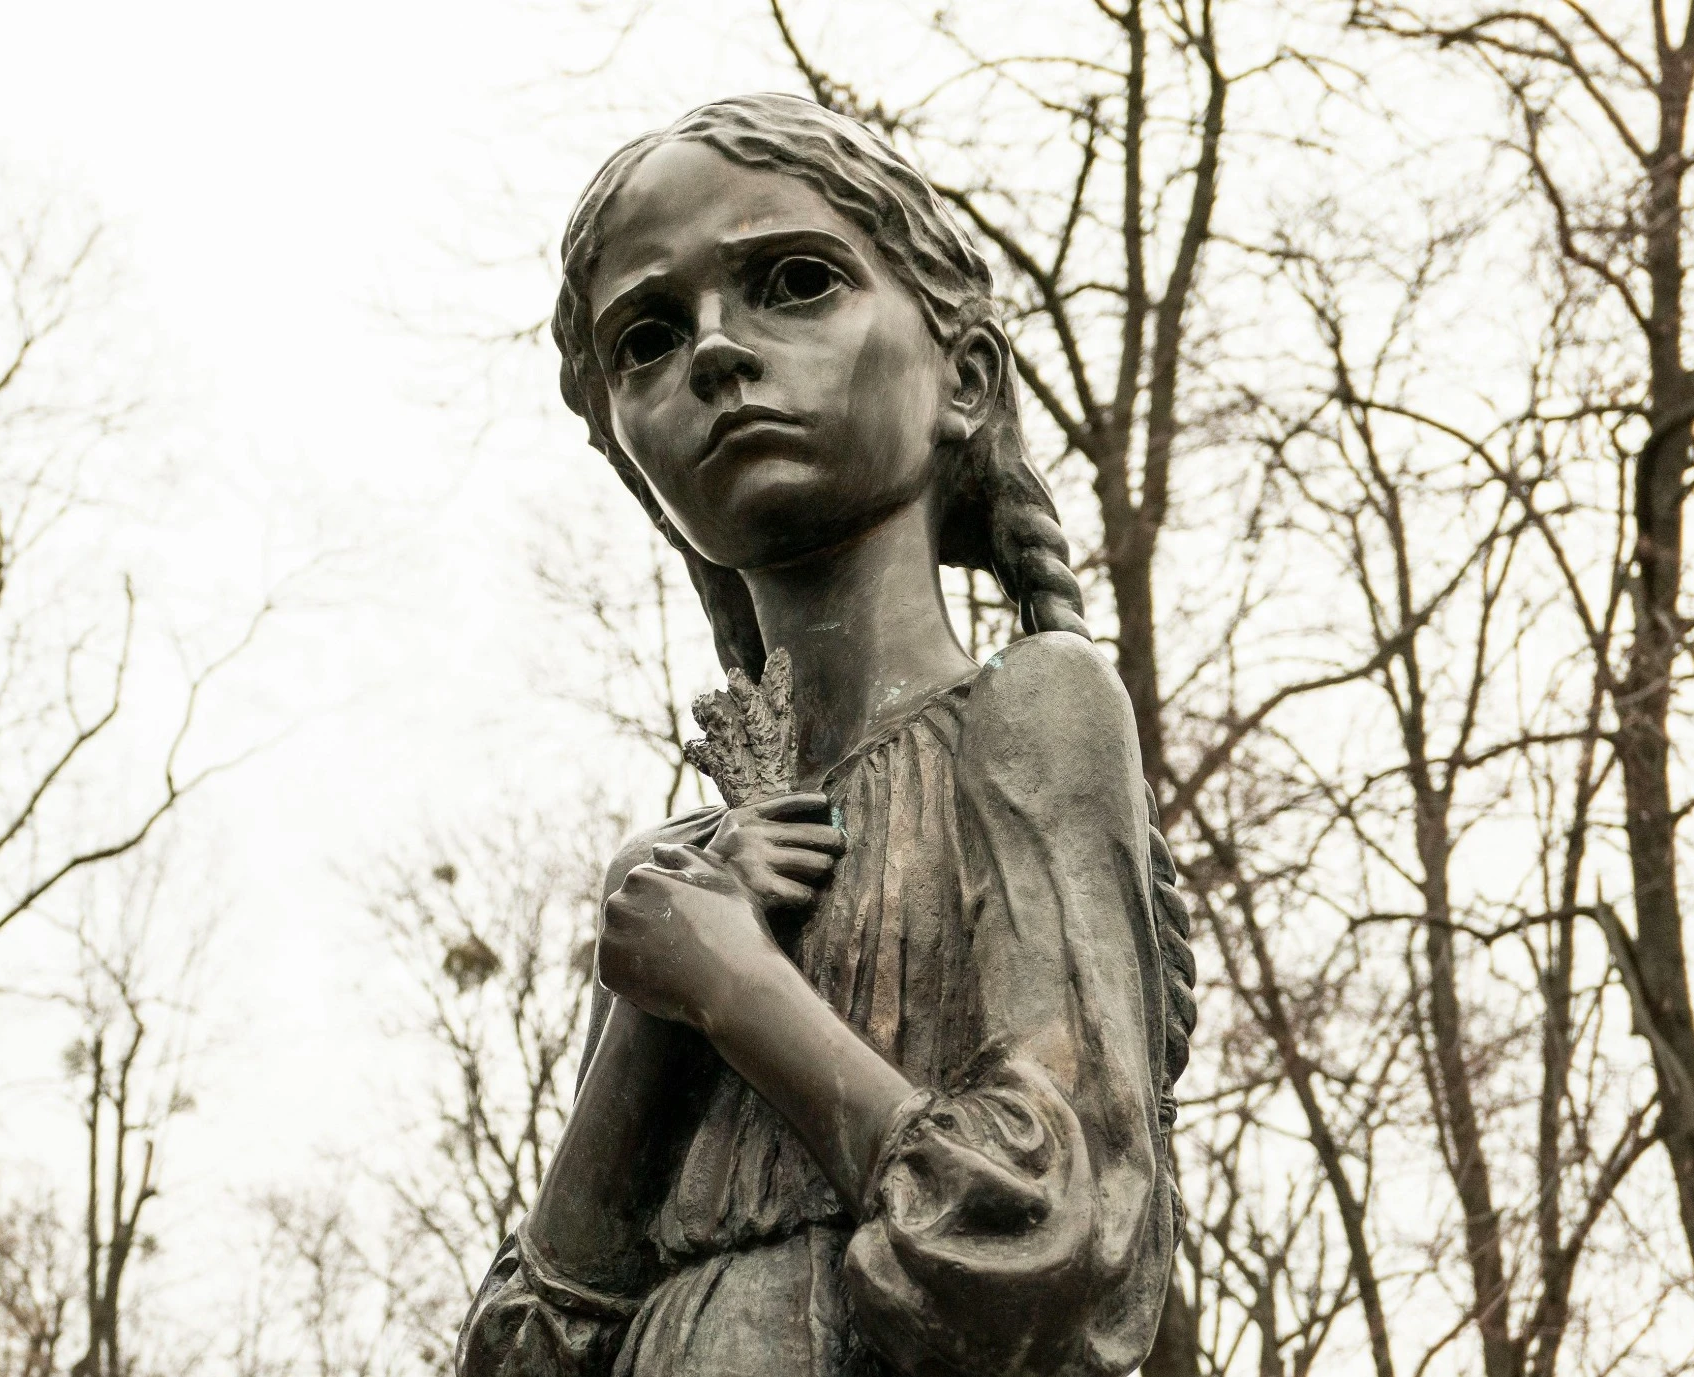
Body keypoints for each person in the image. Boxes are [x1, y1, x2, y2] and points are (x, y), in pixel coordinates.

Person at [456, 93, 1196, 1377]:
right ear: (635, 466)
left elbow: (1059, 1235)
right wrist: (655, 1006)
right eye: (646, 337)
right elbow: (526, 1349)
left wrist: (734, 990)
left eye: (795, 282)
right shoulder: (672, 878)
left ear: (964, 377)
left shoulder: (1036, 711)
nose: (714, 353)